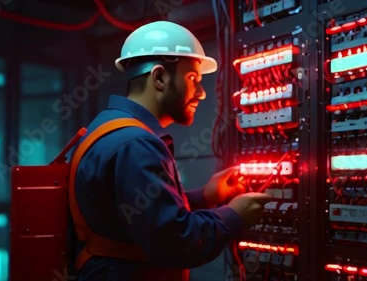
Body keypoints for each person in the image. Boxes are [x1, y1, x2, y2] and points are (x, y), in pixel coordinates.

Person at [72, 21, 273, 281]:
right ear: (159, 77)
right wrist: (233, 216)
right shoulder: (136, 144)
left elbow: (136, 212)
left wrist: (205, 197)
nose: (201, 93)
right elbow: (176, 242)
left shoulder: (110, 127)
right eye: (192, 79)